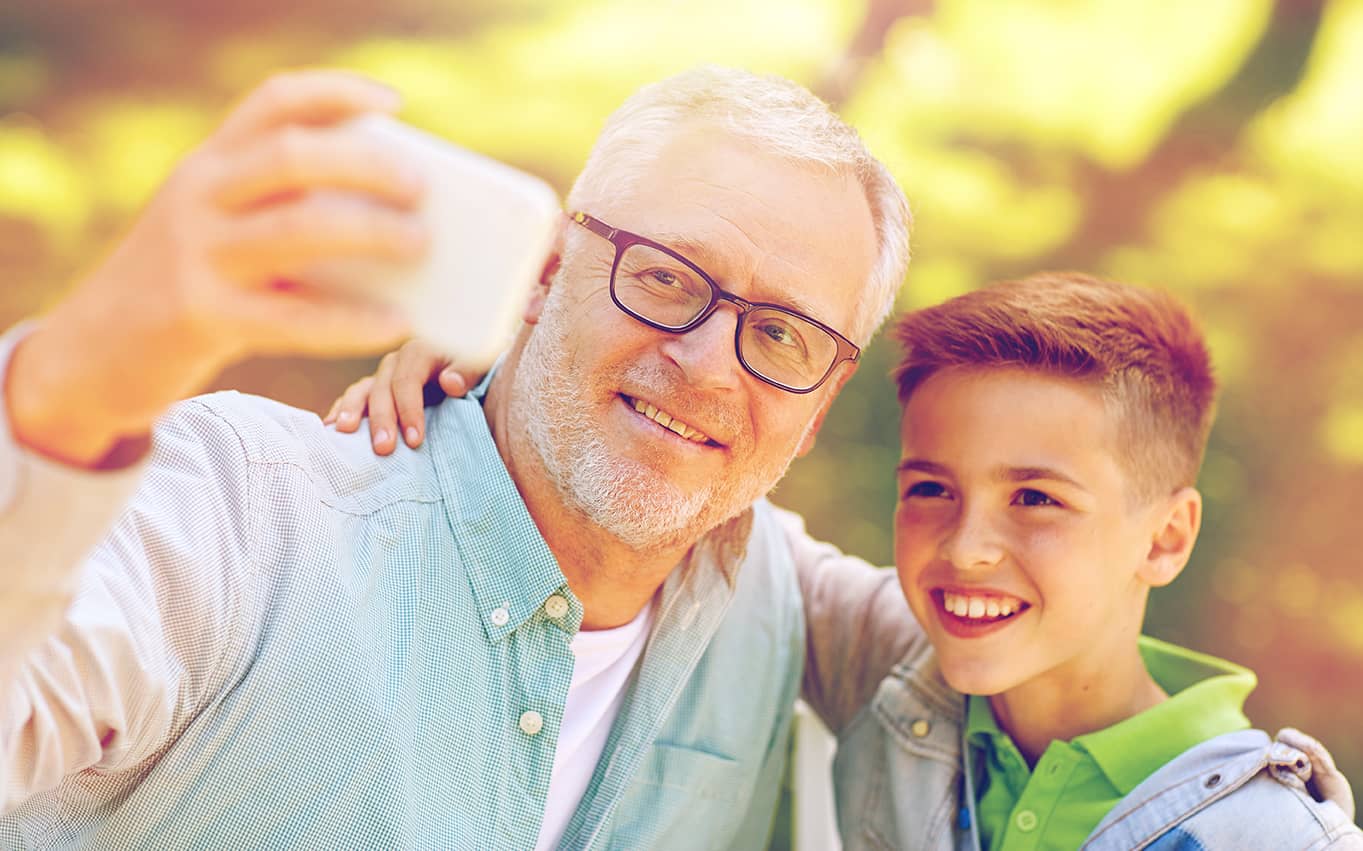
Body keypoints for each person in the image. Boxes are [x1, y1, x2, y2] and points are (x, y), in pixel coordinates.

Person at [0, 66, 913, 848]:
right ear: (549, 270)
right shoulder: (245, 513)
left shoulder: (780, 600)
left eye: (784, 335)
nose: (708, 366)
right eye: (664, 278)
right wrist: (81, 385)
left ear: (823, 401)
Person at [343, 273, 1363, 849]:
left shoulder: (1265, 835)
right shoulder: (900, 664)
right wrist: (526, 386)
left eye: (1037, 499)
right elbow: (718, 516)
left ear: (1167, 535)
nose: (965, 546)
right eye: (930, 487)